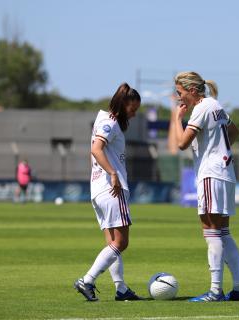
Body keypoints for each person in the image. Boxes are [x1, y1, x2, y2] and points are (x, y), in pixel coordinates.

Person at [172, 71, 239, 302]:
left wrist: (177, 120)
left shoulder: (201, 108)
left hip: (210, 174)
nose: (179, 98)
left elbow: (181, 143)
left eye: (180, 93)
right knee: (224, 232)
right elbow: (234, 132)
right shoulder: (216, 105)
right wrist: (220, 150)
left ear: (193, 91)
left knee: (211, 232)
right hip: (225, 172)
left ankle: (215, 291)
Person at [74, 83, 142, 302]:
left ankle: (121, 289)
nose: (134, 114)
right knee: (121, 243)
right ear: (124, 104)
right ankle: (87, 280)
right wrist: (112, 173)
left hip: (99, 190)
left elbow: (92, 152)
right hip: (112, 189)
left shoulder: (103, 120)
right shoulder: (110, 122)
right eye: (133, 109)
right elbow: (96, 149)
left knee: (112, 243)